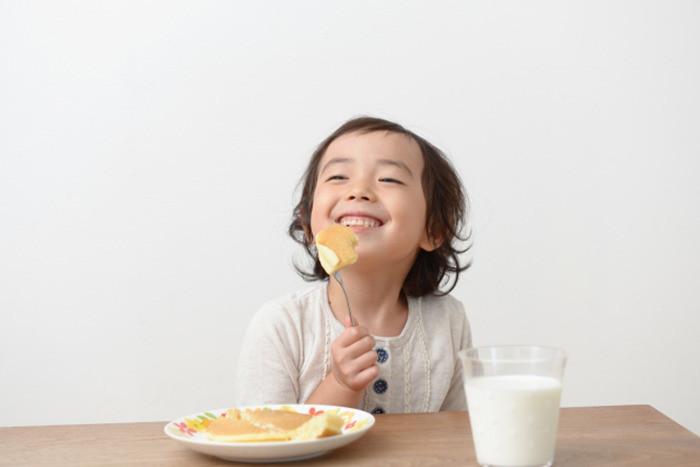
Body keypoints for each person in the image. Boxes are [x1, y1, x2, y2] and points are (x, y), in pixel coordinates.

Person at [234, 116, 473, 414]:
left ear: (434, 230)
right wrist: (341, 385)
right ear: (308, 224)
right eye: (338, 177)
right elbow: (264, 440)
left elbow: (454, 433)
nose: (358, 190)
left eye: (389, 179)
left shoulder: (448, 321)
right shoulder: (281, 325)